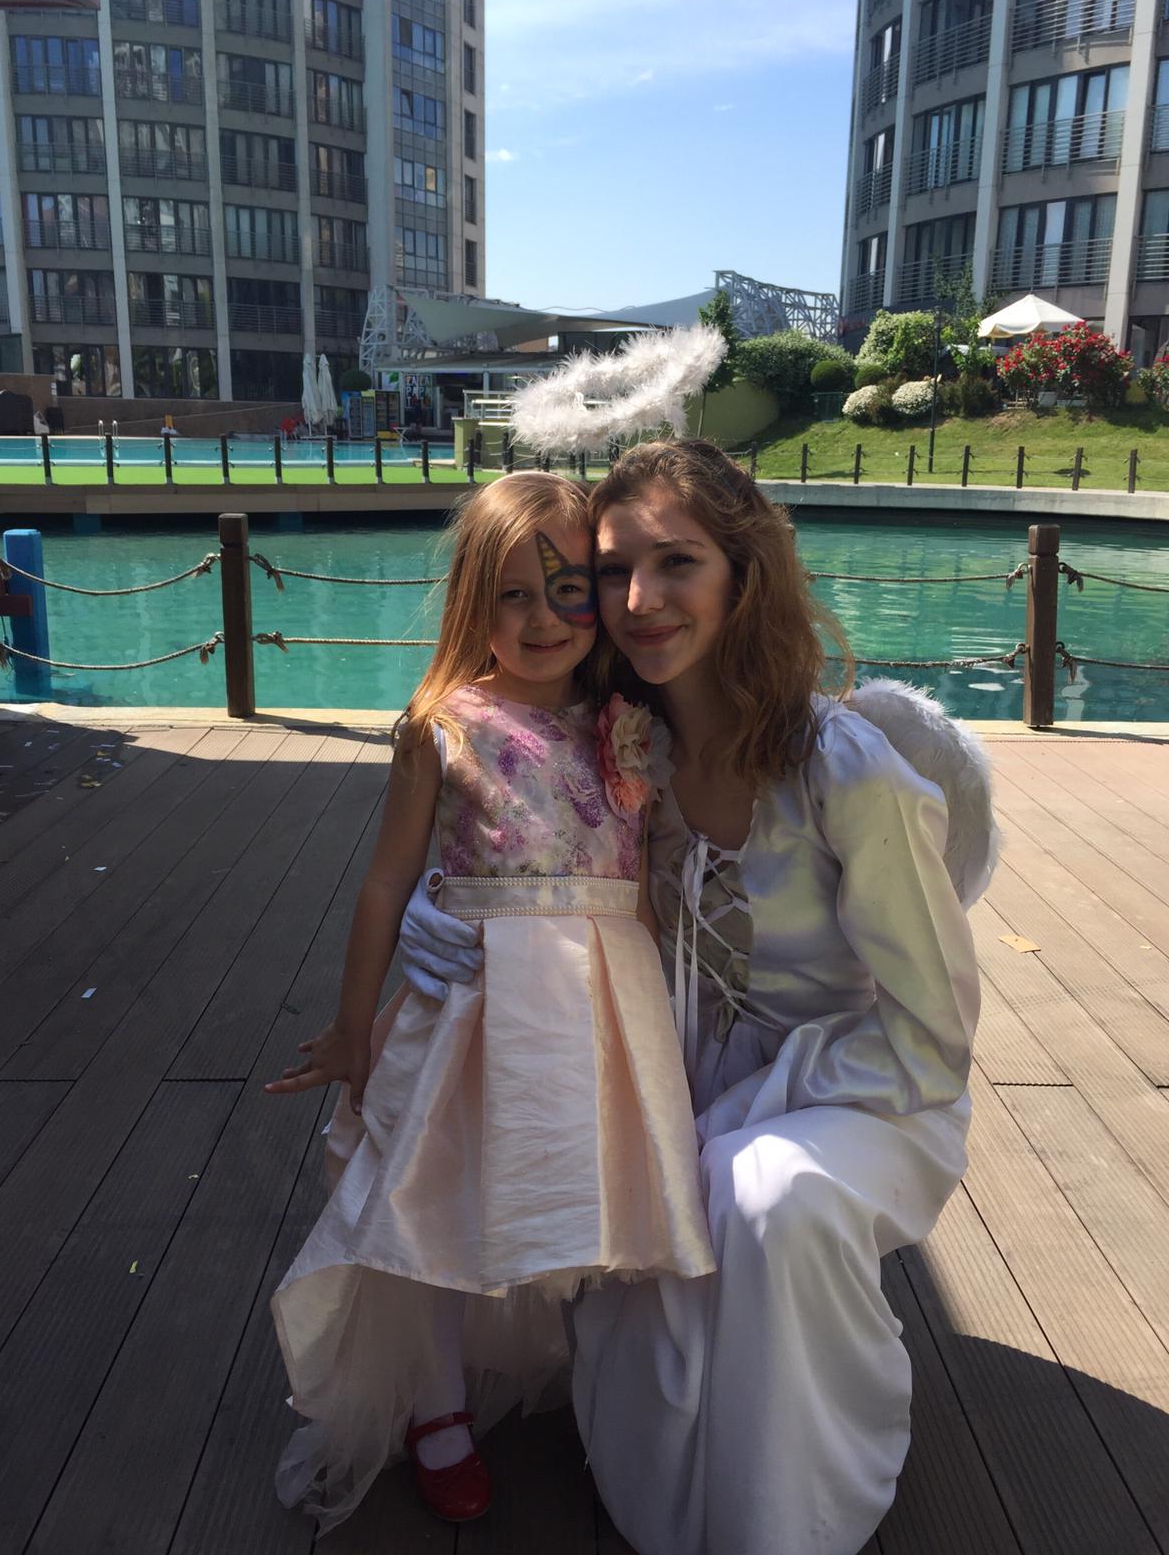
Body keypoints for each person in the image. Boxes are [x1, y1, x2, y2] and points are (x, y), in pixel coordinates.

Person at [398, 439, 990, 1555]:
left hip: (865, 1094)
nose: (639, 600)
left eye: (677, 562)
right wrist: (453, 913)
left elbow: (935, 1034)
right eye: (613, 570)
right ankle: (673, 1490)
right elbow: (517, 838)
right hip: (671, 1083)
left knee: (767, 1196)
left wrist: (740, 1115)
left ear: (742, 574)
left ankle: (791, 1519)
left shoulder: (846, 771)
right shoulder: (628, 753)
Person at [263, 470, 715, 1535]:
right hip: (470, 1008)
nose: (544, 618)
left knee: (594, 1188)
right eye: (513, 593)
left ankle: (609, 1373)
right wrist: (353, 1025)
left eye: (568, 589)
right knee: (432, 1203)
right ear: (474, 600)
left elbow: (658, 871)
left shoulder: (632, 722)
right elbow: (387, 879)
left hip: (600, 1010)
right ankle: (435, 1402)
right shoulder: (443, 723)